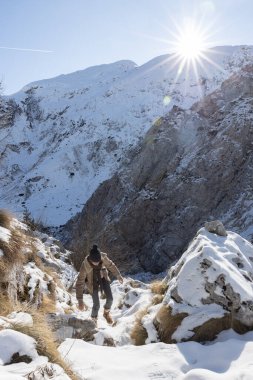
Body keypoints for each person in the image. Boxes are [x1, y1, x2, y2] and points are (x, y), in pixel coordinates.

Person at [76, 244, 123, 325]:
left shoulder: (103, 257)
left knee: (110, 299)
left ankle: (106, 313)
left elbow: (110, 265)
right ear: (90, 260)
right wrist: (80, 300)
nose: (97, 263)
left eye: (98, 261)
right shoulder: (84, 266)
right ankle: (93, 321)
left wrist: (118, 275)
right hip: (92, 282)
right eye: (94, 262)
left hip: (103, 278)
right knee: (96, 304)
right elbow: (80, 282)